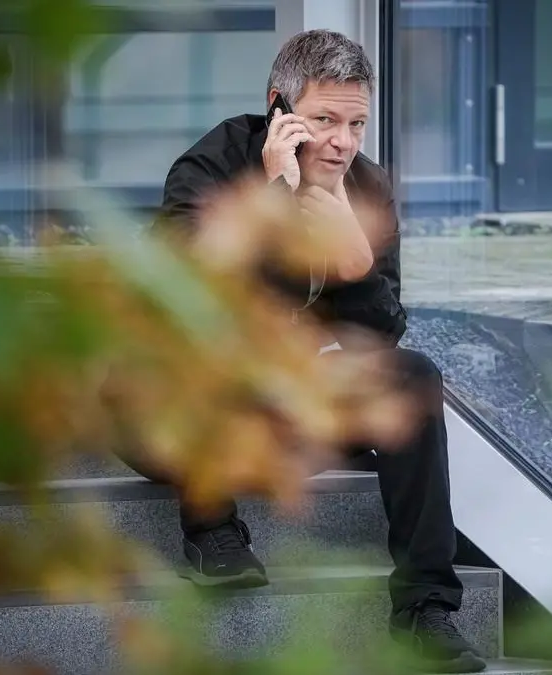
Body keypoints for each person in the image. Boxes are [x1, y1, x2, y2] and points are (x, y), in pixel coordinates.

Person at [142, 29, 486, 674]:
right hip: (184, 406)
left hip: (292, 400)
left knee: (412, 378)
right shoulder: (213, 167)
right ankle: (213, 531)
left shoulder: (366, 187)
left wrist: (354, 259)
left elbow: (380, 336)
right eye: (325, 120)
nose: (343, 142)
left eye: (356, 124)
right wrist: (274, 198)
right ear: (278, 107)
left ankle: (425, 609)